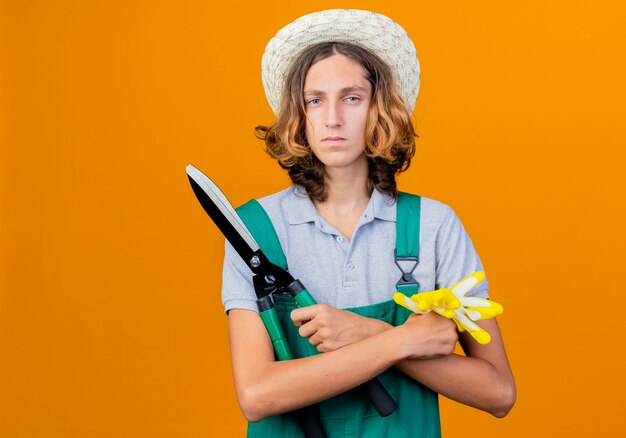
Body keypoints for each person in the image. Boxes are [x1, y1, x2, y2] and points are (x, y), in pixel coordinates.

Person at [221, 9, 515, 437]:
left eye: (352, 97)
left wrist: (363, 331)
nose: (333, 118)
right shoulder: (253, 231)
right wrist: (399, 340)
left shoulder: (435, 225)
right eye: (314, 99)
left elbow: (498, 393)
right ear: (298, 114)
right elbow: (257, 396)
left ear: (381, 108)